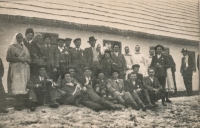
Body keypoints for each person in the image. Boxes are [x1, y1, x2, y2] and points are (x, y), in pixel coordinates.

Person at [6, 33, 31, 110]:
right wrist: (19, 59)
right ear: (15, 38)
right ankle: (17, 104)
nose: (20, 39)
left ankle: (22, 103)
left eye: (21, 38)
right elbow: (8, 58)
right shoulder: (11, 47)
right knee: (16, 86)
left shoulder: (24, 47)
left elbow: (28, 58)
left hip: (23, 70)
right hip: (16, 69)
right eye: (18, 38)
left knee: (23, 86)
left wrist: (27, 60)